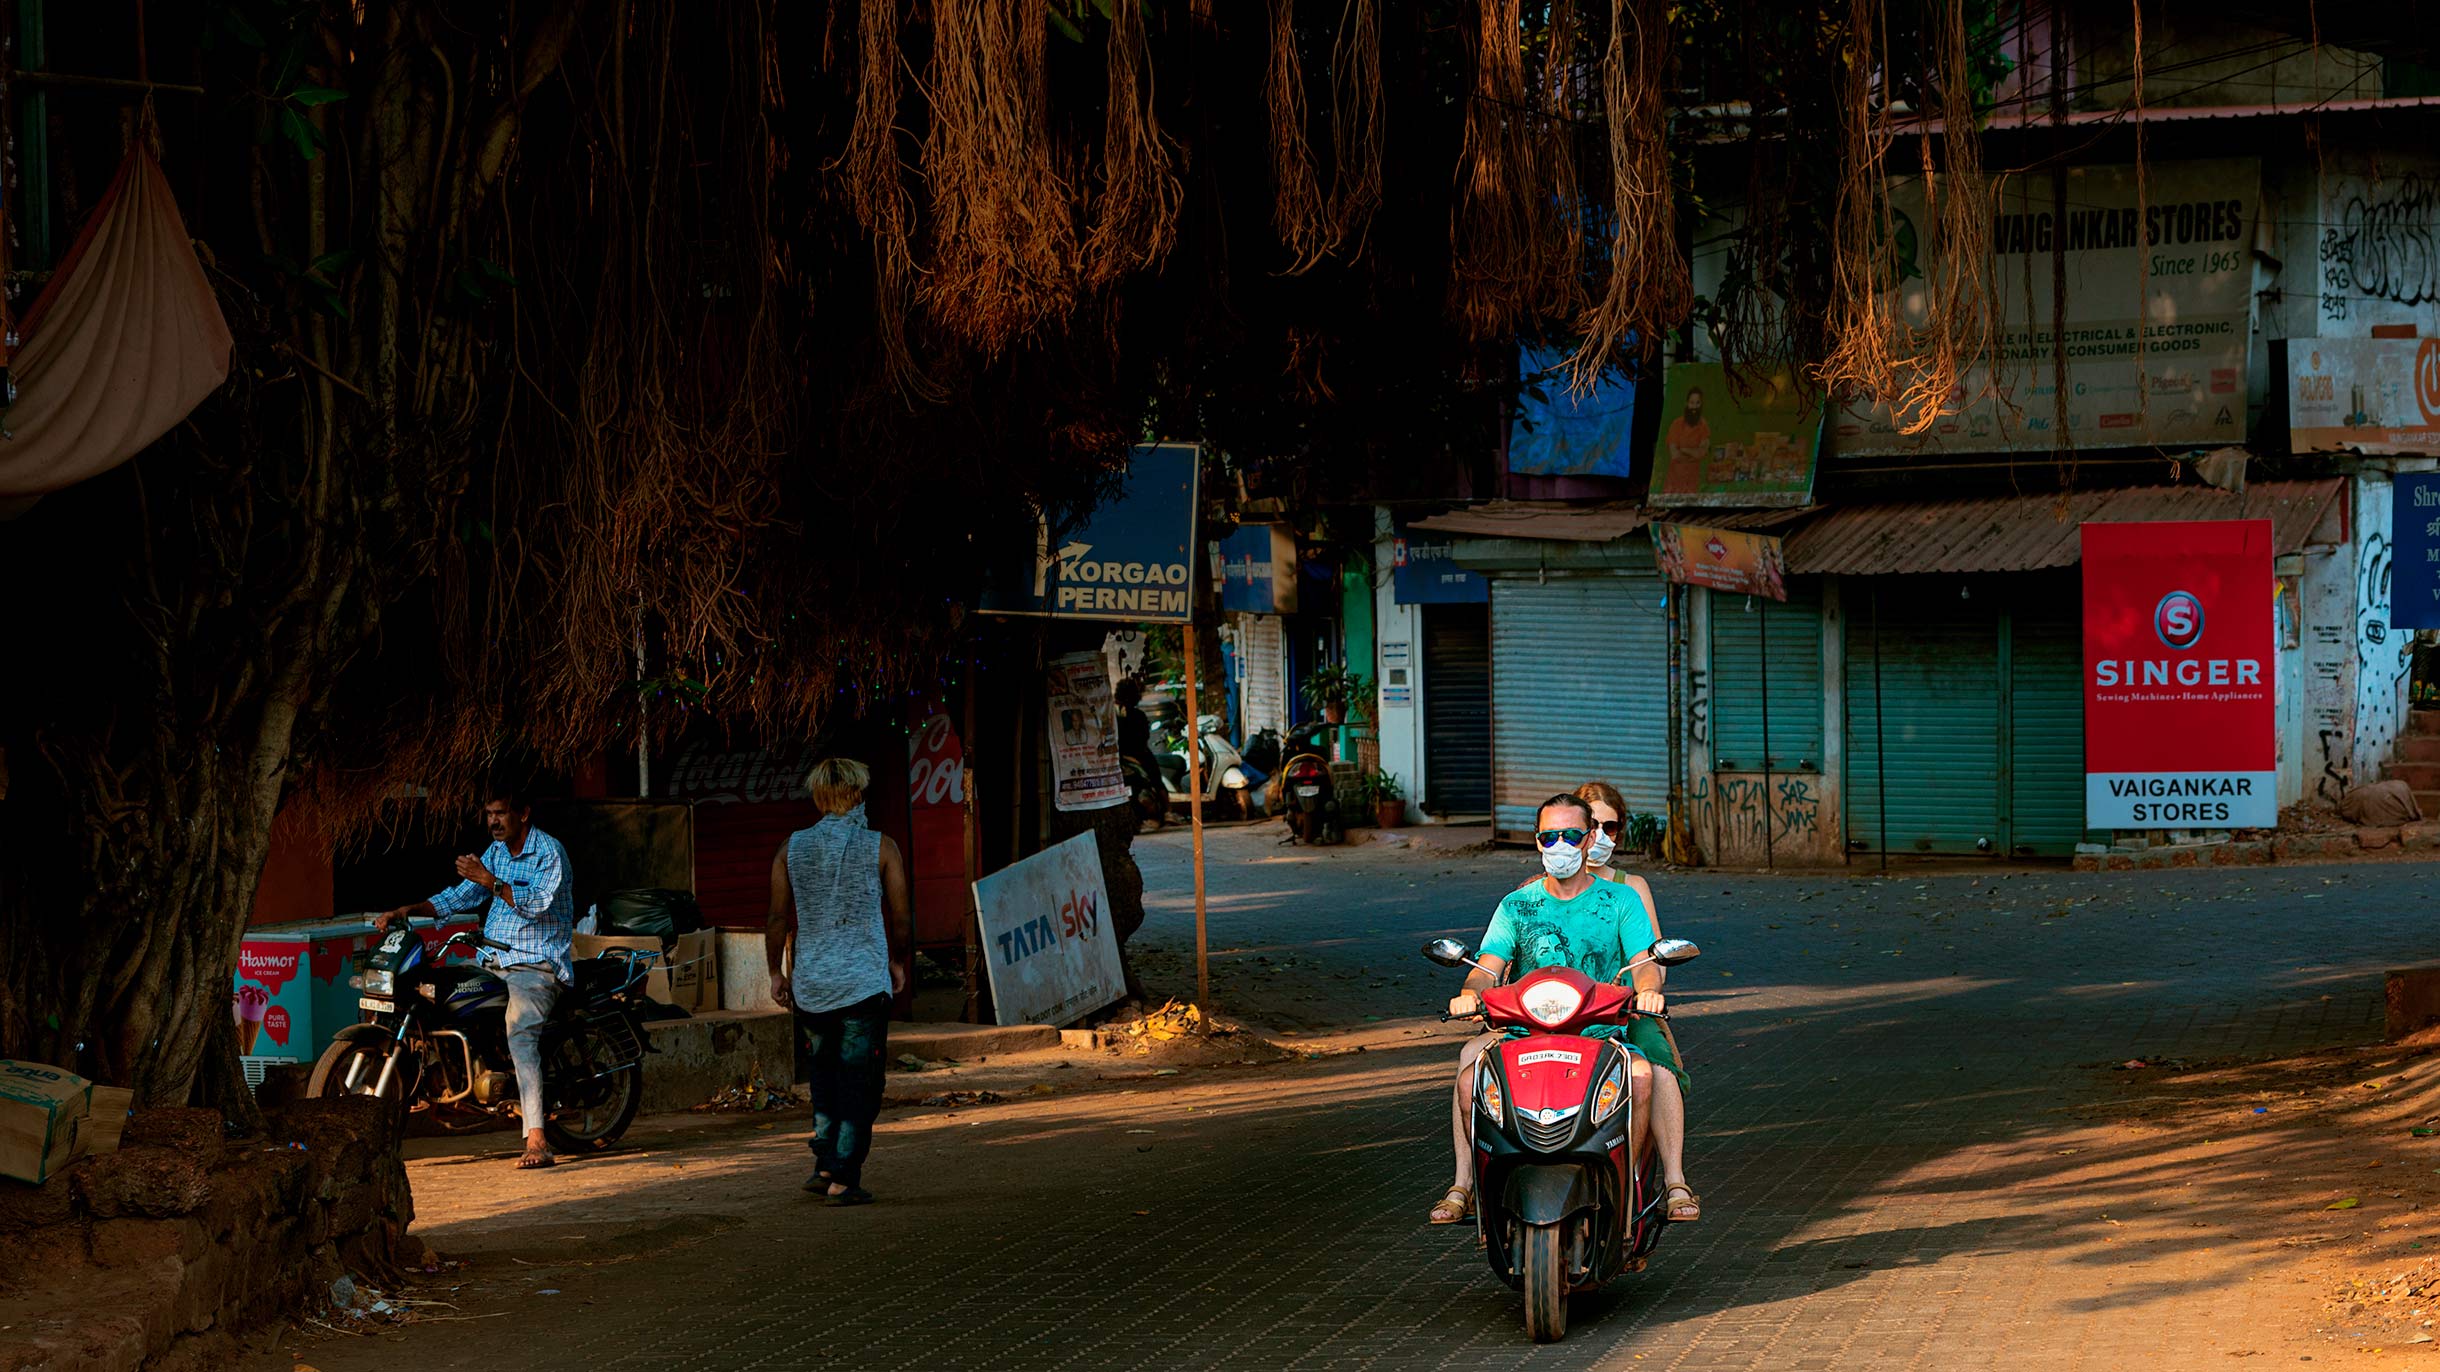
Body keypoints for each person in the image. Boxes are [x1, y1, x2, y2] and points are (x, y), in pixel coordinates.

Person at [1428, 793, 1685, 1225]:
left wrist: (1647, 990)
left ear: (1588, 841)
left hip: (1602, 1030)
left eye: (1570, 835)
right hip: (1526, 1031)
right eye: (1549, 836)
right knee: (1471, 1074)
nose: (1559, 845)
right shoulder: (1518, 905)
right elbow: (1488, 966)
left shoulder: (1620, 900)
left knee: (1643, 1076)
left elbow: (1644, 965)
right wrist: (1470, 991)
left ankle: (1630, 1190)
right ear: (1537, 842)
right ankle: (1466, 1183)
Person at [375, 787, 574, 1170]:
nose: (494, 822)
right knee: (436, 998)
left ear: (524, 813)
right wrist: (409, 908)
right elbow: (459, 896)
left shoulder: (549, 853)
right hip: (491, 959)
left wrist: (490, 882)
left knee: (521, 1033)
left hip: (535, 964)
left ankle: (537, 1138)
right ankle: (453, 1091)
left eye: (500, 813)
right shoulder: (496, 852)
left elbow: (534, 905)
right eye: (488, 814)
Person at [767, 757, 909, 1205]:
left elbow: (776, 917)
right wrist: (899, 961)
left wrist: (776, 972)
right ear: (858, 795)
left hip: (812, 985)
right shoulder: (881, 847)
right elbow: (901, 916)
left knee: (824, 1078)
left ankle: (825, 1162)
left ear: (818, 798)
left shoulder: (791, 848)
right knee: (861, 1082)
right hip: (863, 985)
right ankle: (844, 1176)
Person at [1570, 780, 1699, 1223]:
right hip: (1556, 1015)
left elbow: (1653, 964)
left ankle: (1675, 1179)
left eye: (1612, 826)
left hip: (1621, 1011)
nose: (1601, 836)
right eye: (1593, 825)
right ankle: (1468, 1184)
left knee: (1657, 1066)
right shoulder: (1534, 890)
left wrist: (1645, 990)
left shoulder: (1632, 889)